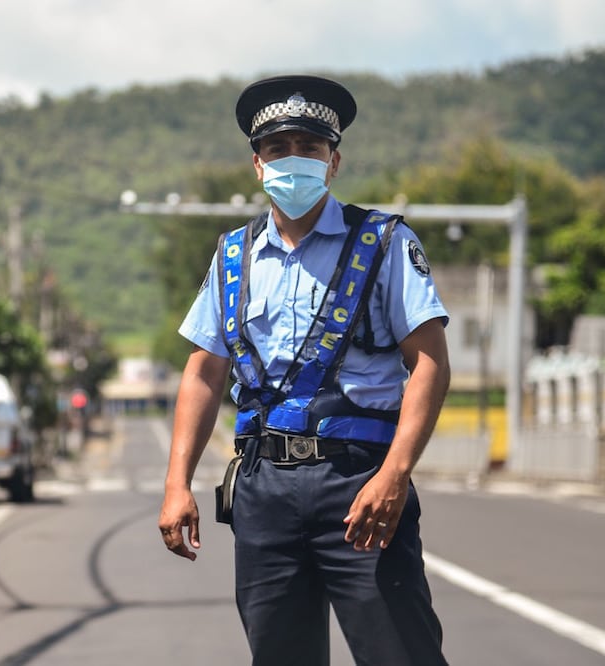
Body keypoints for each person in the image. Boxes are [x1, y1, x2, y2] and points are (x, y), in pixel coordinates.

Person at [159, 74, 451, 666]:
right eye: (277, 149)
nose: (294, 161)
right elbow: (203, 372)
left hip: (359, 484)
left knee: (401, 655)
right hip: (263, 491)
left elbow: (429, 365)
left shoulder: (385, 243)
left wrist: (394, 476)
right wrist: (176, 486)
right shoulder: (232, 257)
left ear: (334, 161)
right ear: (258, 165)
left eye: (309, 149)